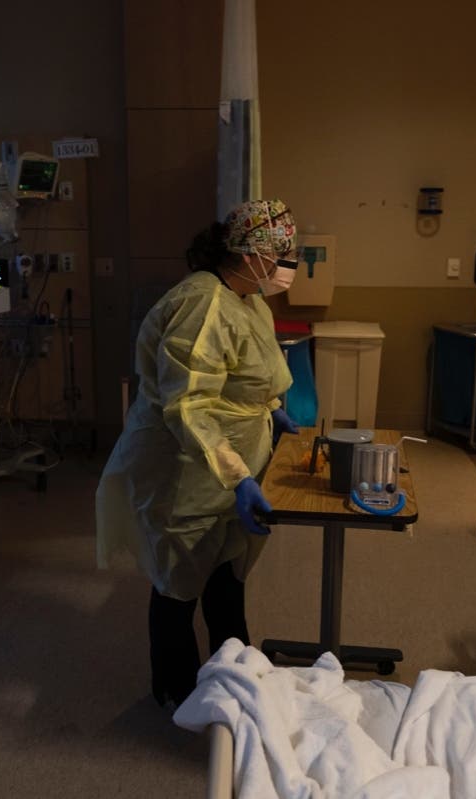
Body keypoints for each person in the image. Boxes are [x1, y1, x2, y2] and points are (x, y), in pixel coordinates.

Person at [95, 199, 301, 709]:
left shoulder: (247, 297)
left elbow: (247, 373)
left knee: (226, 573)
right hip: (187, 468)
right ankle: (178, 691)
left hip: (227, 465)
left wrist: (271, 409)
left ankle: (236, 671)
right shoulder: (202, 305)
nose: (289, 266)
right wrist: (237, 476)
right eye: (283, 253)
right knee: (179, 580)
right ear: (252, 253)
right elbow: (187, 404)